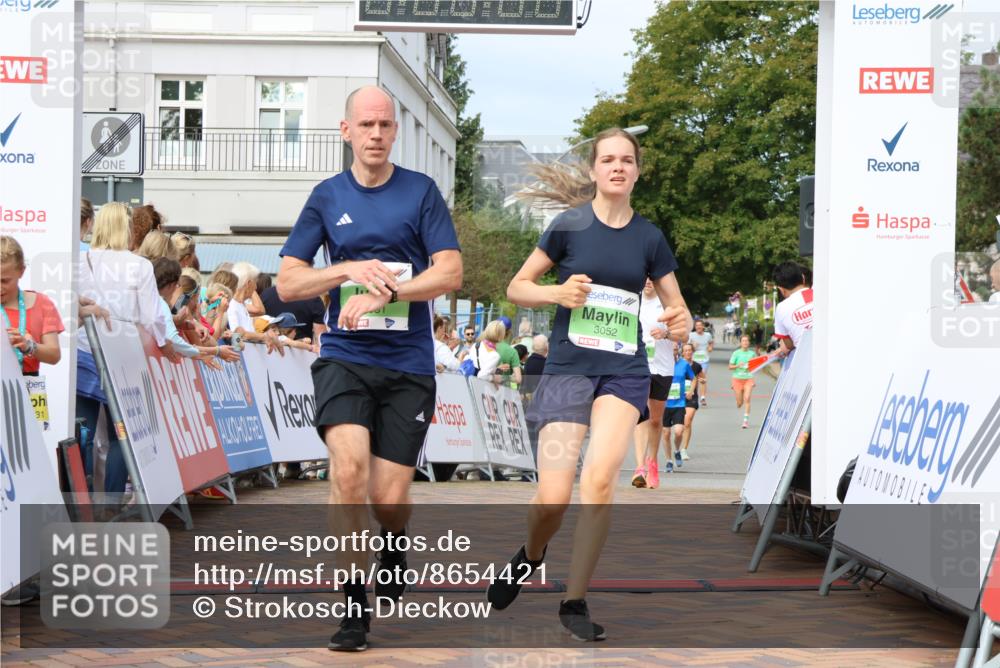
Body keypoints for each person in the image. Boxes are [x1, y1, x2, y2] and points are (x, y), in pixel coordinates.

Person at [275, 85, 462, 652]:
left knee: (388, 498)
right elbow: (287, 281)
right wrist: (345, 270)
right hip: (346, 358)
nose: (376, 134)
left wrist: (391, 291)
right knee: (348, 473)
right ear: (346, 130)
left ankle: (394, 539)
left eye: (385, 125)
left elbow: (450, 272)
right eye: (367, 125)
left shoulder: (421, 192)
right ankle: (354, 606)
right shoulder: (327, 197)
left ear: (393, 132)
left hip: (408, 365)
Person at [487, 127, 691, 640]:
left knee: (598, 481)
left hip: (623, 372)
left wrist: (679, 321)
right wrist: (557, 293)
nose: (617, 167)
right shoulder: (569, 226)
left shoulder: (650, 237)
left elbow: (677, 306)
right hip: (566, 370)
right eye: (608, 159)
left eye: (627, 160)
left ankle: (574, 600)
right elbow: (517, 286)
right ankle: (531, 554)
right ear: (594, 170)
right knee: (553, 496)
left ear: (637, 171)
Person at [77, 202, 177, 502]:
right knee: (123, 433)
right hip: (123, 356)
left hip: (84, 351)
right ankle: (110, 502)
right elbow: (151, 316)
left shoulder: (79, 262)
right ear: (126, 228)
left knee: (83, 433)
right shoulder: (139, 266)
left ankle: (78, 502)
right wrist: (167, 343)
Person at [631, 278, 675, 489]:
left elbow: (683, 334)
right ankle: (639, 467)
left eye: (652, 278)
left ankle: (652, 462)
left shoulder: (668, 304)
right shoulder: (633, 301)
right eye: (645, 278)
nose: (648, 282)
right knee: (641, 415)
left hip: (663, 367)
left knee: (656, 421)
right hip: (638, 365)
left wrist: (666, 333)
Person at [1, 236, 64, 375]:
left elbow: (54, 355)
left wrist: (29, 346)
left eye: (4, 281)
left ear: (21, 271)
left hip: (30, 386)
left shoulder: (42, 303)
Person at [261, 280, 328, 344]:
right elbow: (320, 337)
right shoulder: (313, 298)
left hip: (267, 348)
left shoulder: (266, 294)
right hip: (302, 351)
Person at [664, 344, 697, 473]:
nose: (673, 352)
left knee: (678, 432)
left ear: (678, 351)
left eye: (675, 349)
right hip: (664, 404)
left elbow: (694, 379)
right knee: (666, 433)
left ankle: (677, 451)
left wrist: (691, 391)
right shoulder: (662, 364)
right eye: (671, 349)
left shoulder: (684, 364)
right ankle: (668, 461)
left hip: (679, 404)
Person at [772, 261, 814, 353]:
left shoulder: (781, 308)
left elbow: (789, 345)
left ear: (781, 290)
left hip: (806, 359)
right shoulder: (821, 293)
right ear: (803, 278)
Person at [681, 343, 704, 460]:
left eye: (690, 350)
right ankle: (677, 447)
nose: (688, 352)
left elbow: (703, 378)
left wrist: (703, 381)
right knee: (678, 426)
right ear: (682, 352)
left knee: (687, 421)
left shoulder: (697, 366)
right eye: (685, 350)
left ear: (692, 352)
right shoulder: (677, 364)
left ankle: (684, 449)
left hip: (692, 397)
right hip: (678, 397)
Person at [729, 334, 756, 429]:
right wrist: (737, 365)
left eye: (747, 341)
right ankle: (739, 401)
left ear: (749, 343)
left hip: (748, 378)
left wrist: (752, 367)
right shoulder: (736, 353)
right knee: (740, 403)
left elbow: (755, 366)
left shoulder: (752, 354)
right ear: (740, 343)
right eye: (743, 341)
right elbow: (730, 366)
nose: (745, 342)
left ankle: (745, 421)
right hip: (737, 379)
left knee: (747, 398)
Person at [687, 319, 713, 407]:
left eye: (700, 325)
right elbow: (687, 347)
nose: (698, 327)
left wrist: (710, 348)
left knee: (702, 377)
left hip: (704, 360)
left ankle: (702, 397)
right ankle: (693, 395)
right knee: (694, 378)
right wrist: (693, 347)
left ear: (703, 327)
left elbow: (711, 343)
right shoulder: (691, 335)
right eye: (696, 325)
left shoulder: (708, 335)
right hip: (694, 360)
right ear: (695, 327)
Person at [496, 315, 523, 389]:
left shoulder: (485, 345)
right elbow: (518, 379)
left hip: (483, 387)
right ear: (509, 331)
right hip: (503, 390)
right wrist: (506, 378)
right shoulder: (512, 351)